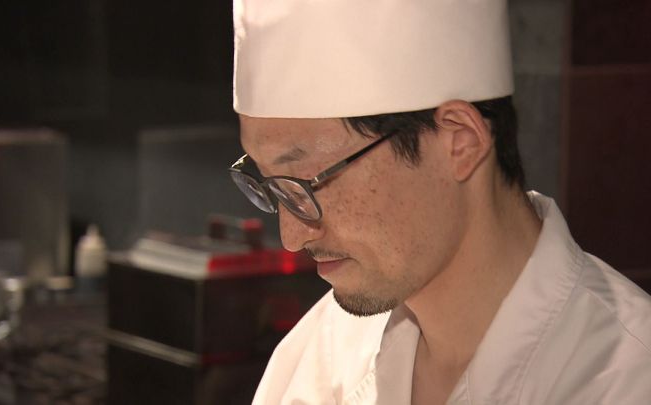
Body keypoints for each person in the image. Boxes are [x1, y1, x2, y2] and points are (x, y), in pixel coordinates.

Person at [228, 0, 651, 404]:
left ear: (459, 142)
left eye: (308, 182)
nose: (292, 237)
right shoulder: (322, 355)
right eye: (274, 188)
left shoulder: (626, 379)